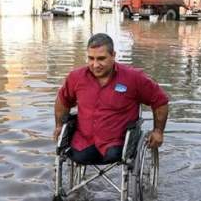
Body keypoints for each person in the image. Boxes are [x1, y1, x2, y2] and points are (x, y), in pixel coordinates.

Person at [54, 33, 169, 165]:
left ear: (113, 55)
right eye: (91, 58)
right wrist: (58, 126)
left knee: (115, 152)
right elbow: (63, 101)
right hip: (83, 143)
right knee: (73, 151)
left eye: (101, 59)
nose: (95, 64)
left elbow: (160, 102)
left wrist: (158, 131)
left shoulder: (134, 78)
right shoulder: (76, 77)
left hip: (118, 144)